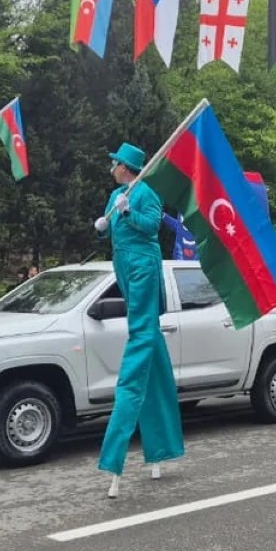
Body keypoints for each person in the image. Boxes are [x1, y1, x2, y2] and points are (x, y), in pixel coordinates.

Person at [93, 141, 184, 497]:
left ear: (126, 166)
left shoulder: (146, 192)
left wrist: (128, 212)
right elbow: (108, 224)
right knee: (151, 349)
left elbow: (151, 227)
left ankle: (123, 453)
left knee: (143, 335)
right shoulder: (117, 192)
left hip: (144, 265)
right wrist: (103, 223)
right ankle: (160, 449)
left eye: (114, 163)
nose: (111, 167)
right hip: (123, 265)